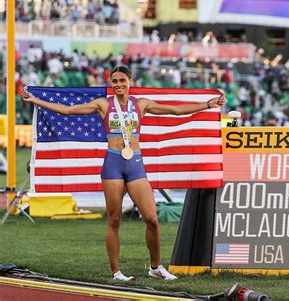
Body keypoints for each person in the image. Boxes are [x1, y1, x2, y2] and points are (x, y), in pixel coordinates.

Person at [22, 65, 226, 281]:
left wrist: (207, 104)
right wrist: (35, 100)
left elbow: (174, 110)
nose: (118, 84)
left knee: (152, 219)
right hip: (113, 164)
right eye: (114, 81)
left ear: (130, 81)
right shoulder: (103, 104)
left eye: (122, 80)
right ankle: (117, 272)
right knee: (114, 220)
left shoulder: (141, 104)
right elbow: (68, 110)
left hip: (135, 164)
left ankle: (156, 267)